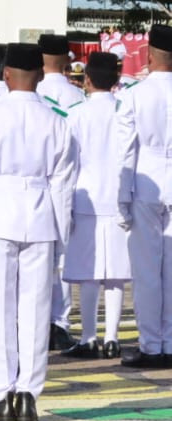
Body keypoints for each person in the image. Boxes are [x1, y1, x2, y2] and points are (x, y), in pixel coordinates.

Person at [0, 43, 78, 421]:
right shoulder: (57, 121)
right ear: (41, 77)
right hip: (41, 216)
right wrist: (62, 240)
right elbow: (63, 188)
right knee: (36, 309)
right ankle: (28, 393)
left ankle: (2, 394)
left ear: (6, 75)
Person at [60, 53, 130, 360]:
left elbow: (68, 163)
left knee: (89, 272)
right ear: (116, 79)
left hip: (84, 197)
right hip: (118, 197)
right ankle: (112, 337)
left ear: (87, 79)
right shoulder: (124, 111)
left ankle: (89, 336)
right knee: (115, 272)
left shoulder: (76, 114)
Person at [114, 24, 172, 368]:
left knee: (147, 271)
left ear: (149, 55)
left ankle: (151, 345)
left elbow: (125, 151)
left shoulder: (135, 94)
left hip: (146, 182)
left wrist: (122, 200)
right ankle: (170, 342)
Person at [36, 32, 85, 350]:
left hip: (35, 187)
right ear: (67, 60)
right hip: (69, 185)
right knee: (63, 258)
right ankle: (60, 323)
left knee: (35, 261)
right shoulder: (77, 97)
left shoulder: (32, 90)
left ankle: (35, 323)